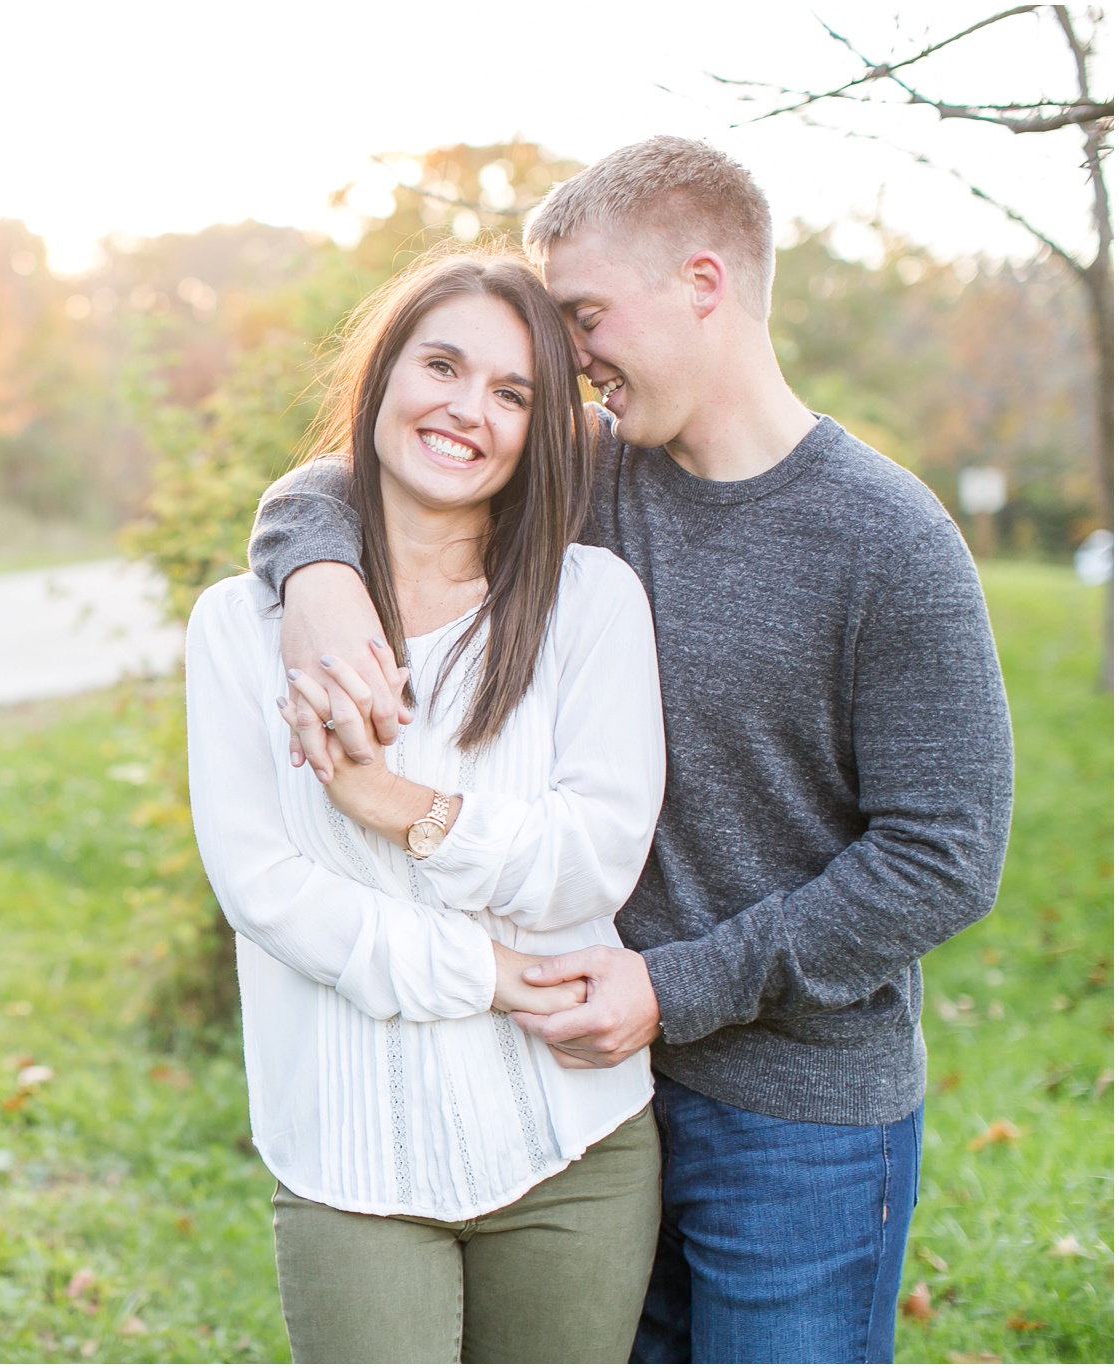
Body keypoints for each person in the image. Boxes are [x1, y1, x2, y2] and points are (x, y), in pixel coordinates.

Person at [247, 136, 1014, 1363]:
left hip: (796, 1118)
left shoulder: (888, 542)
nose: (568, 361)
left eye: (584, 316)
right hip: (588, 1101)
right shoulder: (587, 479)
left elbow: (944, 857)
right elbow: (367, 465)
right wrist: (316, 573)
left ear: (702, 284)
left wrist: (673, 990)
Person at [187, 249, 669, 1363]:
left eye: (511, 393)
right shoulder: (237, 627)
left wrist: (398, 803)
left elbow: (593, 858)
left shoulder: (588, 602)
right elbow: (264, 889)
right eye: (441, 365)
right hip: (349, 1161)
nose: (467, 409)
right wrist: (488, 974)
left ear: (542, 430)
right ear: (380, 377)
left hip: (574, 1146)